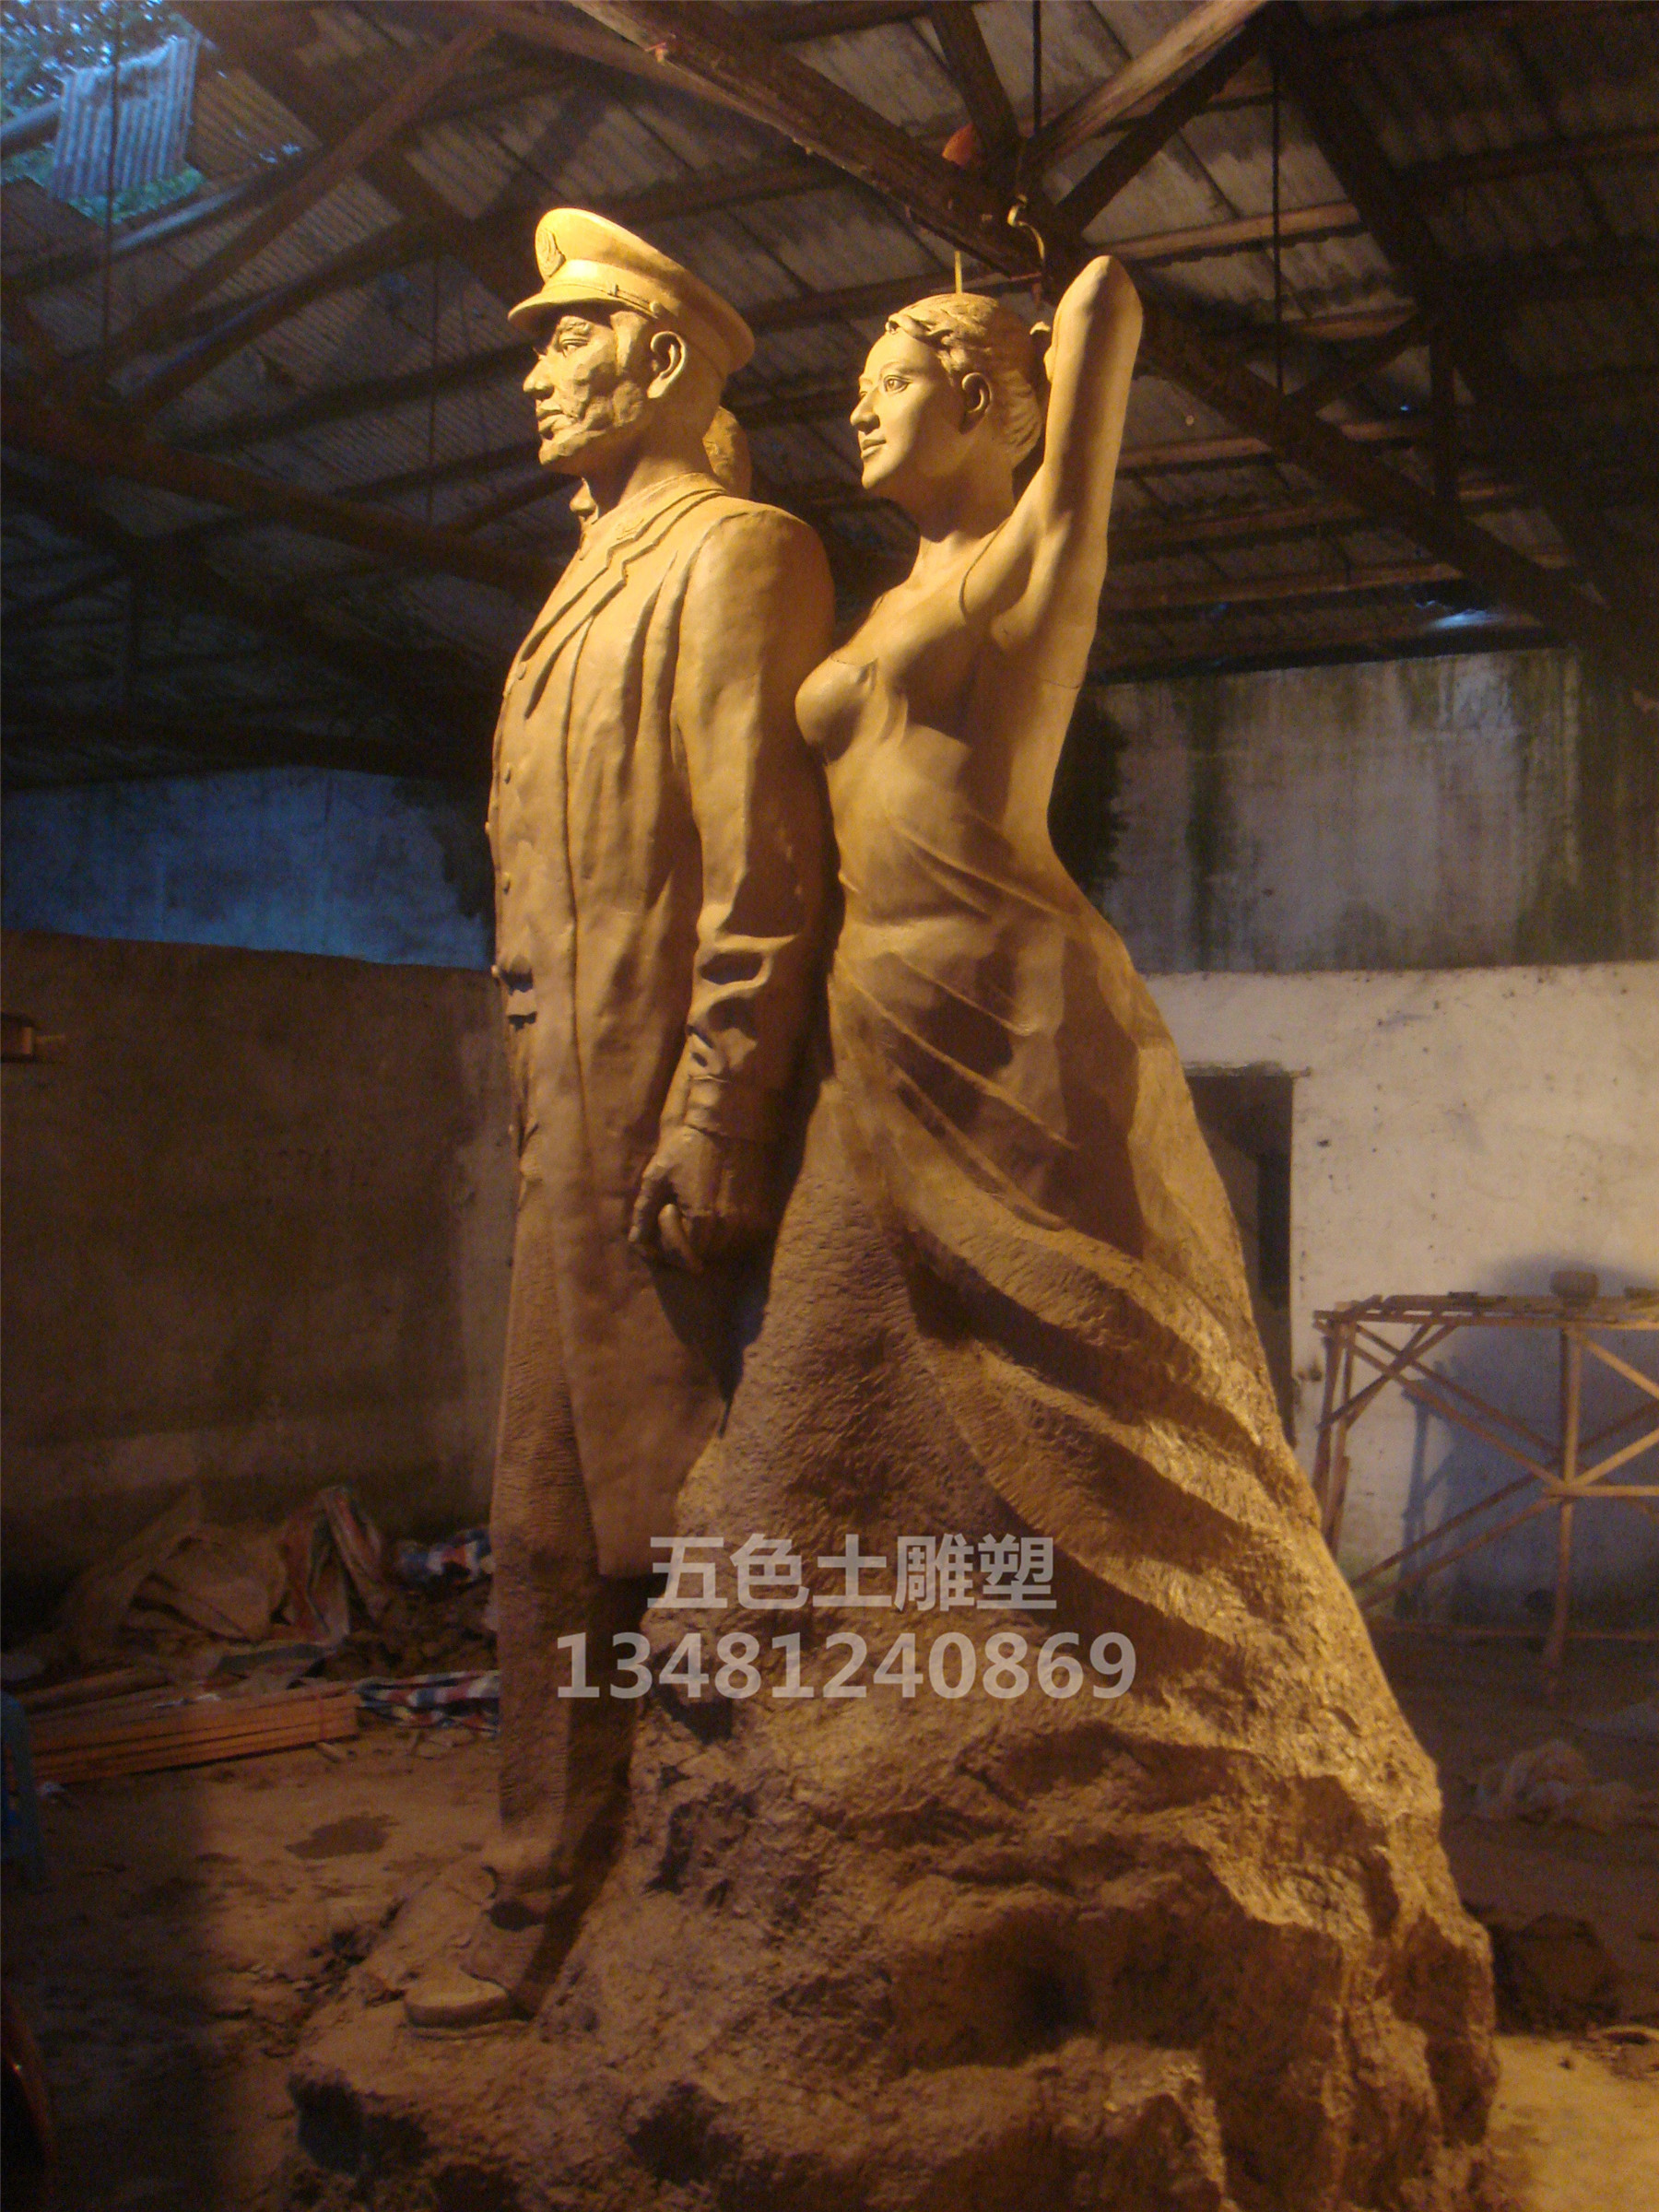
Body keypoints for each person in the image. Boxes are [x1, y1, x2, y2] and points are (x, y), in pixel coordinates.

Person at [404, 211, 833, 2030]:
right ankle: (547, 1874)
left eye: (561, 340)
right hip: (562, 1140)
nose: (530, 376)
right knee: (542, 1528)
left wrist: (721, 1116)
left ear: (657, 358)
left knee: (694, 1530)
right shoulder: (579, 584)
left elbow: (765, 868)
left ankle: (715, 1882)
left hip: (666, 1143)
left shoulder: (741, 553)